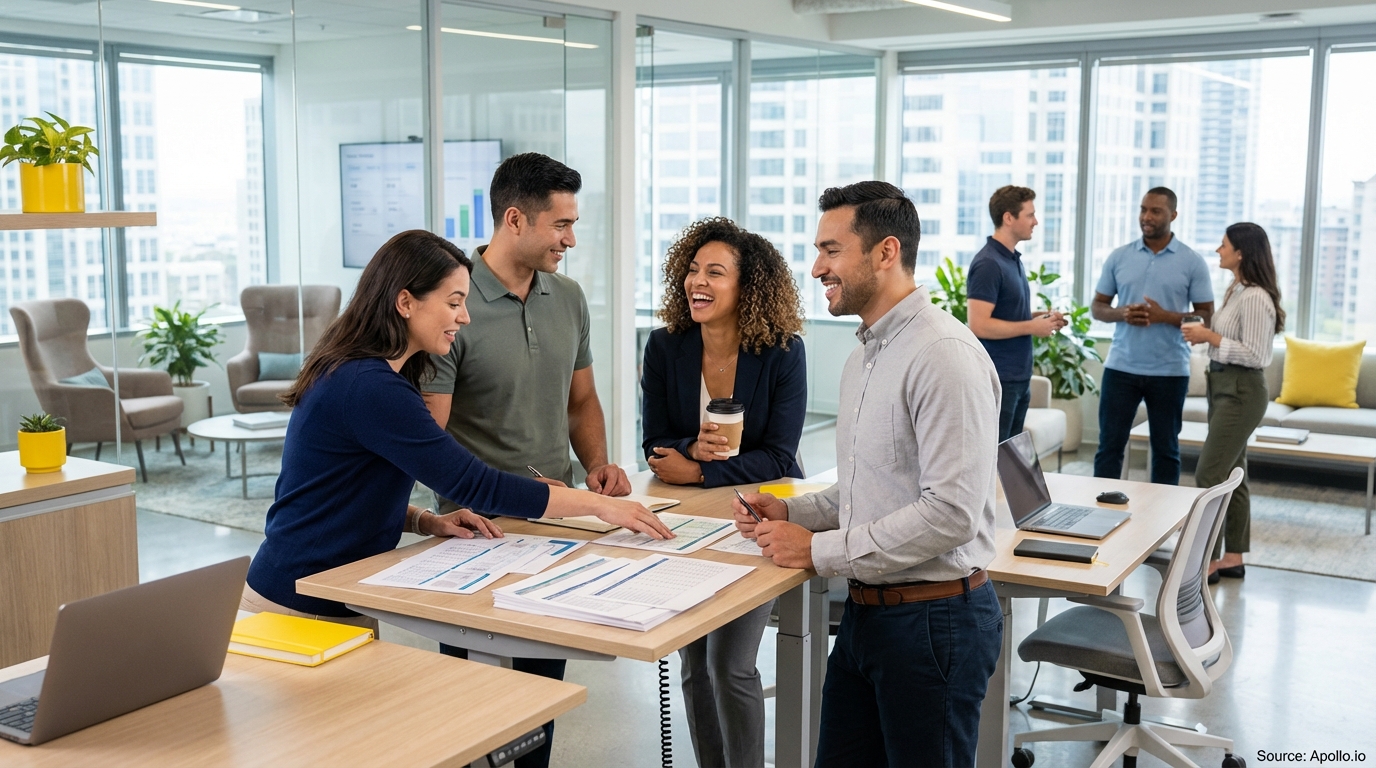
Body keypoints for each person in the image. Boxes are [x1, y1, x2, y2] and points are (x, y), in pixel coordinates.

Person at [242, 230, 671, 629]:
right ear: (405, 301)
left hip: (331, 595)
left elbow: (342, 491)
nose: (465, 317)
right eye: (453, 302)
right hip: (296, 602)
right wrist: (597, 505)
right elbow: (475, 484)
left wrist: (426, 520)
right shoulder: (369, 387)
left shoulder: (370, 375)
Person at [732, 181, 1003, 767]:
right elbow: (871, 488)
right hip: (866, 617)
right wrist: (793, 512)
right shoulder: (865, 355)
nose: (816, 267)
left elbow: (949, 514)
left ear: (885, 252)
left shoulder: (943, 355)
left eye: (831, 251)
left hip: (934, 623)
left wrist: (817, 550)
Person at [420, 153, 627, 768]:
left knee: (541, 701)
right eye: (561, 224)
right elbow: (430, 435)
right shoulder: (452, 304)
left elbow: (581, 398)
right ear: (515, 219)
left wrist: (598, 465)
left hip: (554, 522)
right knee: (472, 707)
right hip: (472, 532)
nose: (570, 238)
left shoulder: (568, 297)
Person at [640, 217, 807, 768]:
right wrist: (690, 448)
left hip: (756, 516)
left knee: (730, 664)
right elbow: (656, 440)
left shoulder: (782, 352)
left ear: (747, 287)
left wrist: (702, 473)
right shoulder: (666, 347)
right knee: (693, 664)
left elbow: (781, 456)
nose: (697, 282)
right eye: (692, 270)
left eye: (715, 272)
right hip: (686, 519)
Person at [1180, 223, 1283, 586]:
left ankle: (1203, 561)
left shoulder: (1255, 296)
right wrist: (1207, 338)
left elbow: (1257, 355)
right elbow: (1233, 342)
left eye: (1223, 245)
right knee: (1234, 475)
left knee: (1210, 474)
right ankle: (1233, 557)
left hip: (1241, 390)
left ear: (1241, 252)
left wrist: (1209, 335)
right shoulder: (1237, 289)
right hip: (1224, 385)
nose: (1217, 249)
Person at [1091, 187, 1215, 484]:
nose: (1146, 217)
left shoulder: (1192, 261)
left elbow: (1207, 316)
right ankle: (1097, 515)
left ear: (1172, 215)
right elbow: (1098, 307)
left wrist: (1165, 317)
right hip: (1121, 368)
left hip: (1170, 370)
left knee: (1166, 451)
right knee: (1108, 448)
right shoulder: (1119, 257)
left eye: (1155, 211)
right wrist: (1121, 313)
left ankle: (1164, 523)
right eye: (1143, 209)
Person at [967, 185, 1066, 441]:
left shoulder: (1011, 259)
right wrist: (1032, 327)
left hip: (1019, 378)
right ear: (1008, 218)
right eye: (1030, 215)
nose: (1036, 221)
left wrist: (1038, 317)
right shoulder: (988, 264)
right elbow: (979, 325)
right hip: (1000, 377)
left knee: (1010, 460)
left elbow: (1008, 313)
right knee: (996, 458)